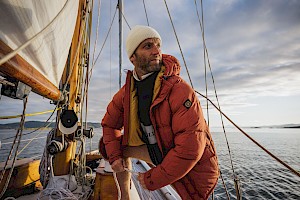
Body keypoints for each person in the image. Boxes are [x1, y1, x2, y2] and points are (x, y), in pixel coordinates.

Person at [99, 25, 219, 200]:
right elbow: (109, 124)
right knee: (110, 147)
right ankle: (124, 197)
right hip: (158, 151)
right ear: (133, 57)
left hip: (192, 165)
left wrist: (151, 179)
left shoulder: (180, 90)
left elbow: (190, 149)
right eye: (148, 46)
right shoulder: (127, 93)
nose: (157, 51)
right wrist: (116, 157)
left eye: (158, 45)